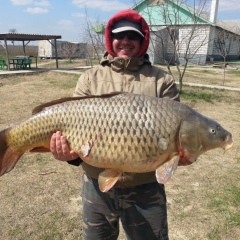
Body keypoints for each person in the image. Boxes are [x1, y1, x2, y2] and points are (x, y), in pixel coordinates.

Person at [50, 9, 190, 240]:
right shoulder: (89, 78)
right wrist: (68, 154)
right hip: (96, 185)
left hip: (146, 188)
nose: (125, 41)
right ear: (110, 39)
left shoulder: (162, 81)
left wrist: (181, 155)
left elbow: (176, 132)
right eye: (119, 35)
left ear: (142, 40)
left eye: (133, 36)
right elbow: (72, 133)